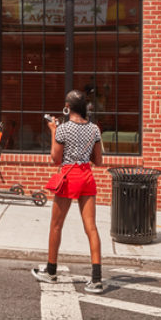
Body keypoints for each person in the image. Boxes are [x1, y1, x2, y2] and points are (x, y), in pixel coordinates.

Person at [31, 89, 104, 293]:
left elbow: (56, 158)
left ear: (67, 107)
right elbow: (98, 161)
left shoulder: (63, 129)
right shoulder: (94, 129)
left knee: (56, 225)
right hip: (86, 176)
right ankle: (96, 278)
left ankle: (51, 271)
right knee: (91, 227)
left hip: (69, 177)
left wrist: (53, 130)